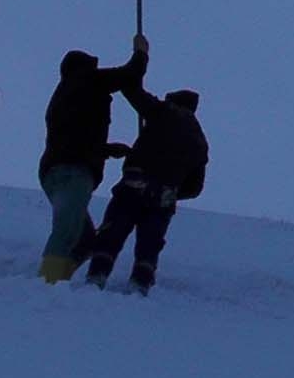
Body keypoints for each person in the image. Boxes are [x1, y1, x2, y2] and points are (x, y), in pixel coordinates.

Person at [37, 34, 149, 283]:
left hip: (59, 169)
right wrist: (141, 52)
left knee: (85, 239)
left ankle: (58, 279)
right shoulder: (83, 80)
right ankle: (47, 283)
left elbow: (77, 138)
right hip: (71, 171)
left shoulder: (68, 94)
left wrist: (106, 150)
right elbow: (128, 74)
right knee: (67, 229)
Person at [82, 85, 207, 295]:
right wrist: (172, 189)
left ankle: (97, 277)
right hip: (164, 197)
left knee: (113, 232)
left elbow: (135, 94)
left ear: (173, 102)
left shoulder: (164, 111)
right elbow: (195, 187)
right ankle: (140, 284)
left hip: (134, 185)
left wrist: (130, 73)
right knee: (150, 243)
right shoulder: (200, 140)